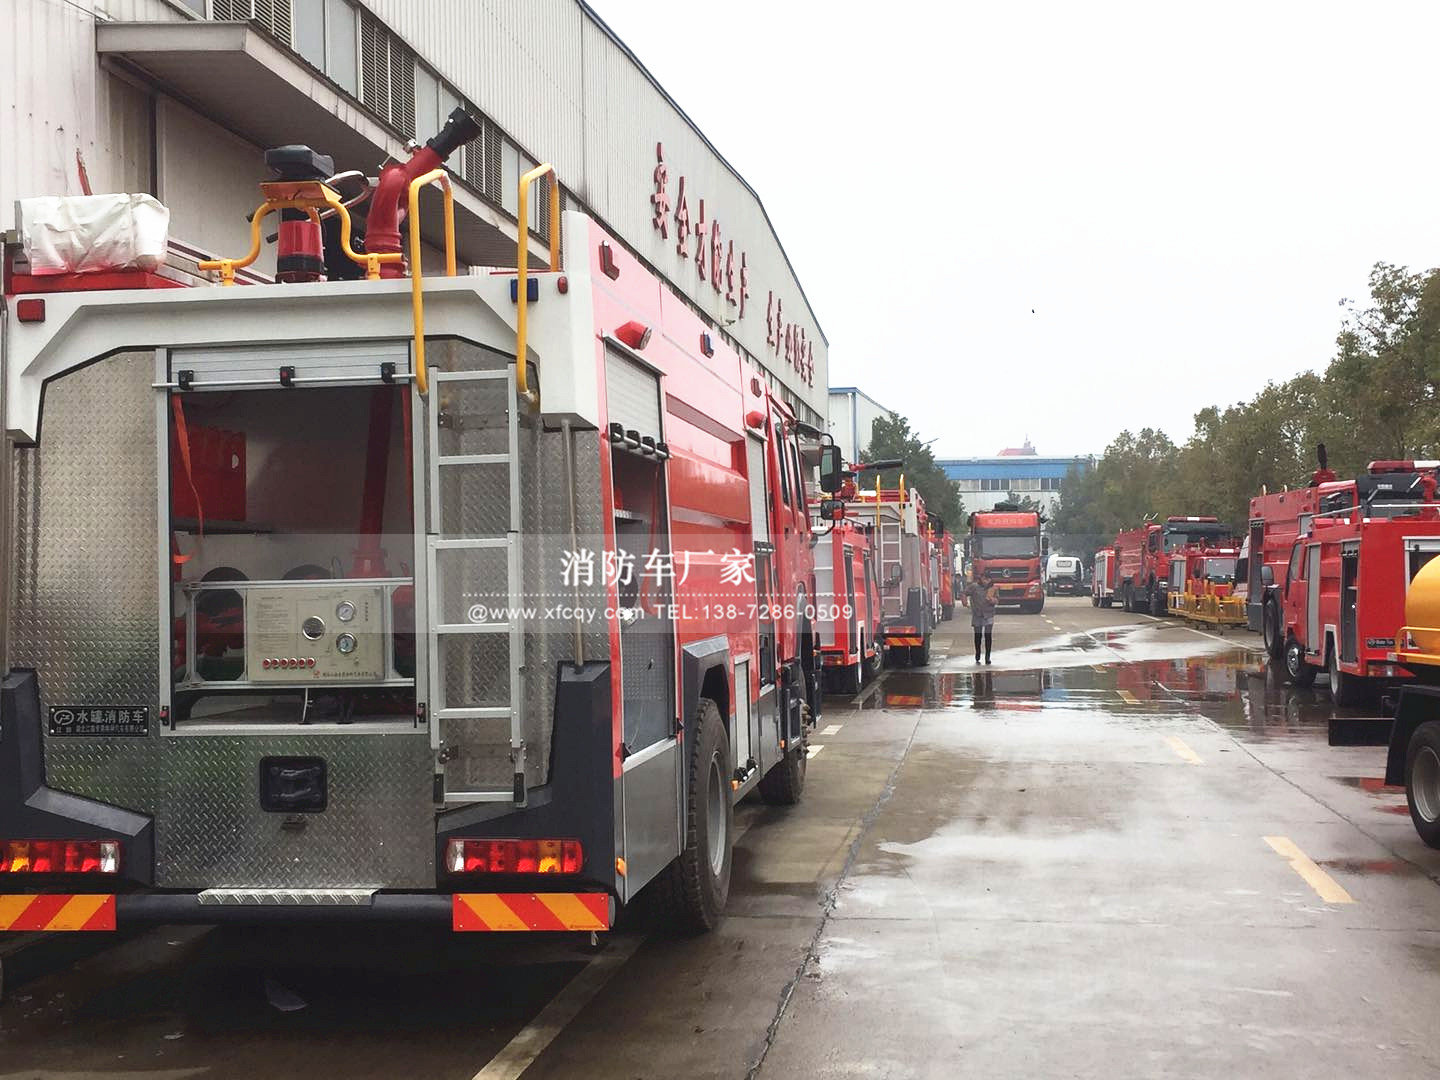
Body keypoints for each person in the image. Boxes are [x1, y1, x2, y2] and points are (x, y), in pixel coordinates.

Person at [961, 569, 999, 664]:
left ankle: (987, 657)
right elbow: (964, 593)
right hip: (977, 614)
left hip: (989, 614)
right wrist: (964, 601)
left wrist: (992, 600)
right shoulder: (974, 587)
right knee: (978, 636)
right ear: (981, 578)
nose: (986, 581)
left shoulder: (993, 588)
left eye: (988, 579)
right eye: (984, 579)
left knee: (988, 636)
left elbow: (997, 600)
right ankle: (977, 653)